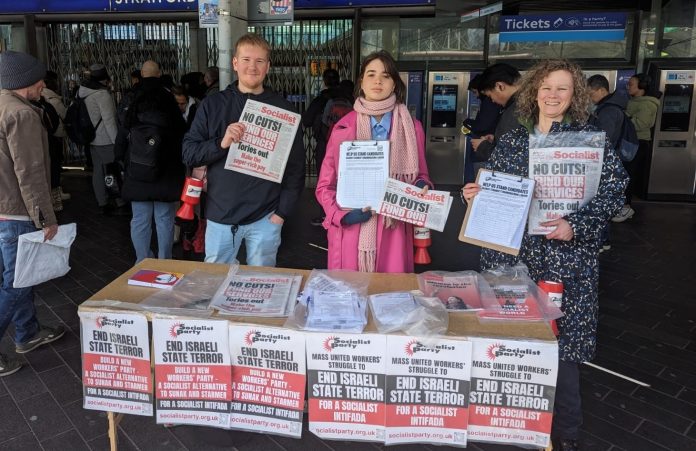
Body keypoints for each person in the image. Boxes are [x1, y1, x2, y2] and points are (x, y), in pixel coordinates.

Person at [462, 59, 628, 451]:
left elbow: (613, 192)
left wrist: (578, 224)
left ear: (575, 96)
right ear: (534, 91)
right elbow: (501, 186)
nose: (552, 95)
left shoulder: (590, 139)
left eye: (562, 88)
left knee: (563, 350)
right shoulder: (516, 138)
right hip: (514, 258)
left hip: (566, 261)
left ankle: (567, 433)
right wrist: (479, 195)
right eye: (546, 87)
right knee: (514, 342)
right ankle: (516, 424)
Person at [182, 33, 305, 266]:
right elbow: (189, 153)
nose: (252, 67)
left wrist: (281, 214)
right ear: (235, 63)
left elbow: (296, 168)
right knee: (215, 284)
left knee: (262, 287)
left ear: (268, 66)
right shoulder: (213, 105)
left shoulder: (284, 110)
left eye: (260, 61)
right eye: (246, 60)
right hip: (220, 215)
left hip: (266, 217)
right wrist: (221, 143)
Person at [316, 50, 432, 273]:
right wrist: (341, 215)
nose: (378, 80)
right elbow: (324, 187)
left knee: (389, 298)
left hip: (394, 230)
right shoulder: (342, 128)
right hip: (350, 232)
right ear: (361, 82)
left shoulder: (411, 127)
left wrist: (420, 186)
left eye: (386, 75)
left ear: (394, 85)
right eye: (371, 74)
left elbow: (422, 176)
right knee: (350, 299)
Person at [0, 51, 65, 376]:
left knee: (17, 277)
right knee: (16, 283)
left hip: (3, 209)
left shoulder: (1, 105)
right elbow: (30, 172)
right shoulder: (21, 114)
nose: (43, 84)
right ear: (25, 82)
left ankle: (28, 333)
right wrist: (45, 218)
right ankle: (23, 335)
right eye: (39, 79)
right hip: (16, 212)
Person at [115, 60, 186, 263]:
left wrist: (121, 160)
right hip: (166, 168)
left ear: (141, 75)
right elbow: (181, 133)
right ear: (160, 73)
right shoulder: (168, 98)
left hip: (138, 169)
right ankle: (165, 258)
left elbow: (122, 135)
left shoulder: (132, 98)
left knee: (139, 219)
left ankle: (142, 260)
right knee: (164, 218)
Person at [302, 68, 353, 226]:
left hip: (326, 145)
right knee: (347, 180)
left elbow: (307, 120)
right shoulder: (350, 99)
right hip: (350, 147)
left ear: (324, 81)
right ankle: (347, 212)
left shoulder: (322, 99)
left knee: (325, 181)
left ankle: (326, 214)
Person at [587, 74, 629, 251]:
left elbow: (603, 140)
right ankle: (603, 240)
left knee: (599, 203)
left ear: (601, 90)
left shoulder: (608, 110)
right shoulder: (610, 107)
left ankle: (602, 241)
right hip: (606, 161)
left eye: (591, 93)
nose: (589, 97)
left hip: (602, 163)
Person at [79, 63, 126, 215]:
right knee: (113, 170)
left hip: (92, 138)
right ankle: (120, 201)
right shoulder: (102, 95)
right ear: (105, 79)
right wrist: (116, 141)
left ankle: (102, 201)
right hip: (105, 139)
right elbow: (109, 121)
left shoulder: (82, 91)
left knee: (98, 171)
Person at [614, 73, 660, 222]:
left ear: (642, 87)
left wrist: (621, 118)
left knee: (628, 175)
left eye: (631, 84)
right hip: (630, 142)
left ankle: (626, 208)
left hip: (637, 143)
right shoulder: (635, 100)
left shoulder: (647, 104)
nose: (628, 87)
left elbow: (640, 124)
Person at [472, 63, 522, 164]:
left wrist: (482, 147)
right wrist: (496, 140)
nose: (493, 101)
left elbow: (511, 159)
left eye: (490, 96)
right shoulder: (524, 103)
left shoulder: (516, 110)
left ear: (500, 86)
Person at [463, 73, 502, 182]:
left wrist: (468, 122)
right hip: (487, 149)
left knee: (481, 184)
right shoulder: (491, 103)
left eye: (475, 92)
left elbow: (482, 125)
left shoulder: (489, 103)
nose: (476, 96)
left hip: (484, 151)